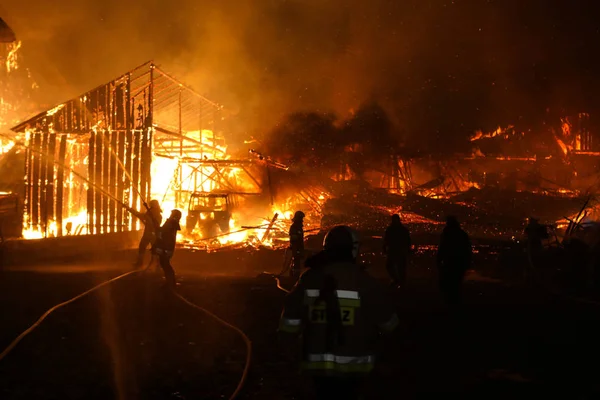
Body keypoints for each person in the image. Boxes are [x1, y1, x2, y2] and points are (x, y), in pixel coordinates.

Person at [279, 225, 399, 400]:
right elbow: (390, 325)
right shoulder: (364, 282)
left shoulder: (308, 279)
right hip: (355, 371)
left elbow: (289, 324)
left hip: (316, 371)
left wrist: (291, 355)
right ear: (353, 249)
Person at [436, 216, 472, 306]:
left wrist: (439, 260)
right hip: (459, 263)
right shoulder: (462, 234)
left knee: (448, 283)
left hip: (450, 262)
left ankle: (450, 304)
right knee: (456, 284)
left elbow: (442, 248)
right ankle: (456, 304)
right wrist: (468, 262)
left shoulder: (447, 234)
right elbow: (467, 249)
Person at [128, 199, 163, 268]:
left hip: (150, 234)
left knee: (144, 248)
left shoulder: (153, 215)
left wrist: (131, 210)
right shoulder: (157, 215)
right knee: (149, 248)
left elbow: (151, 222)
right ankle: (157, 264)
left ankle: (141, 263)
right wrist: (130, 209)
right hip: (152, 234)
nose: (150, 208)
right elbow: (141, 216)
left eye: (151, 206)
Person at [152, 209, 182, 289]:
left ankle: (171, 283)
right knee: (165, 264)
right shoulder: (173, 223)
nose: (170, 214)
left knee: (166, 265)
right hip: (167, 247)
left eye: (172, 213)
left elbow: (163, 231)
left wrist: (156, 226)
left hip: (166, 248)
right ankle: (170, 282)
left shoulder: (171, 223)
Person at [382, 214, 412, 288]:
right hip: (397, 250)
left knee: (397, 267)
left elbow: (386, 240)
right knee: (397, 267)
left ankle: (398, 281)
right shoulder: (402, 229)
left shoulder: (392, 229)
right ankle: (399, 281)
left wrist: (384, 248)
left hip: (396, 250)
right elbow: (408, 240)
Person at [288, 211, 305, 278]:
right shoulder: (294, 227)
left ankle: (294, 275)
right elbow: (294, 238)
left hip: (299, 246)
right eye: (301, 218)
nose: (302, 220)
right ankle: (295, 277)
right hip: (296, 247)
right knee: (296, 261)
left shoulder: (298, 226)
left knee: (297, 261)